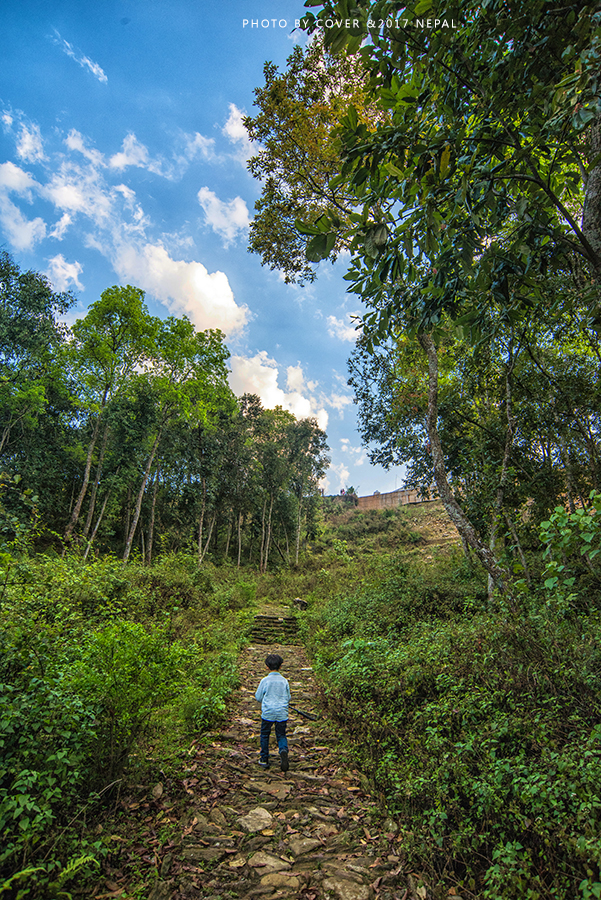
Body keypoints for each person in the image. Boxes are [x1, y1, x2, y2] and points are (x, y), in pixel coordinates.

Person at [255, 653, 290, 771]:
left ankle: (264, 758)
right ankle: (283, 750)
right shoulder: (284, 681)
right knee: (281, 734)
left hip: (268, 712)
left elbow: (258, 697)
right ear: (280, 667)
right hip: (281, 712)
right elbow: (288, 697)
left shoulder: (265, 681)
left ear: (266, 667)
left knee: (265, 734)